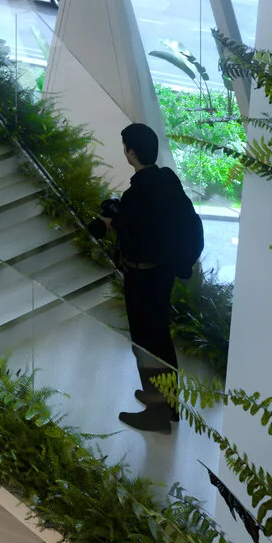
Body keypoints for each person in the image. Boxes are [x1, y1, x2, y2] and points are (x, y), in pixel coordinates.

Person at [99, 121, 205, 431]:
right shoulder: (166, 180)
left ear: (132, 153)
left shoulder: (137, 195)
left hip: (142, 280)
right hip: (163, 276)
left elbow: (135, 236)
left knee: (145, 343)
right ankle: (166, 403)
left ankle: (158, 414)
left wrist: (112, 222)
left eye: (125, 148)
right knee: (160, 339)